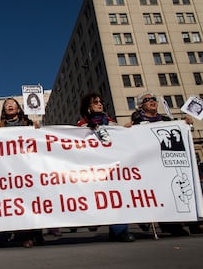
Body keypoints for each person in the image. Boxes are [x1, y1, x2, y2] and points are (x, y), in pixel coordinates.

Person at [125, 91, 193, 236]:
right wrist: (126, 131)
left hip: (166, 164)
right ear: (140, 106)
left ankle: (172, 224)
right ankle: (144, 219)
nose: (152, 101)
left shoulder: (167, 120)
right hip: (147, 164)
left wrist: (185, 123)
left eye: (153, 99)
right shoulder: (136, 122)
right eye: (147, 100)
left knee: (169, 192)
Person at [0, 98, 43, 248]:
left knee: (30, 202)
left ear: (19, 109)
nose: (10, 105)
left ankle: (32, 234)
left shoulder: (29, 125)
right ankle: (15, 235)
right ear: (4, 110)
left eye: (13, 104)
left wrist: (38, 130)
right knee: (12, 203)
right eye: (6, 104)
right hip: (8, 172)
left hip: (27, 170)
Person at [77, 93, 135, 242]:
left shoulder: (112, 124)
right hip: (94, 169)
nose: (99, 104)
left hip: (113, 168)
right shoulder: (81, 126)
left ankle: (120, 230)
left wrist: (127, 130)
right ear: (88, 107)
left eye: (100, 102)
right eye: (95, 102)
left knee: (117, 197)